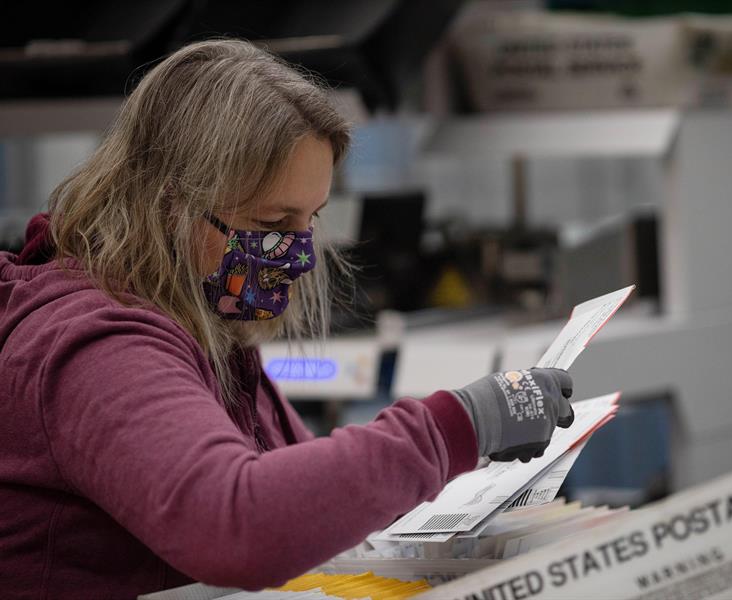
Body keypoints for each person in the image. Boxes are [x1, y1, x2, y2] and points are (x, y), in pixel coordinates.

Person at [0, 39, 574, 597]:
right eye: (273, 223)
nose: (299, 256)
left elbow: (305, 503)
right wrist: (457, 426)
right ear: (170, 207)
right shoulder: (96, 344)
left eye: (311, 218)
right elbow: (238, 524)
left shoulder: (208, 328)